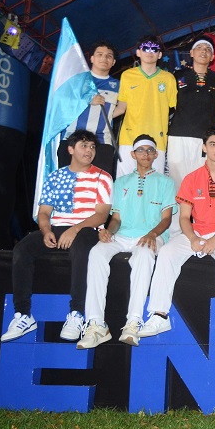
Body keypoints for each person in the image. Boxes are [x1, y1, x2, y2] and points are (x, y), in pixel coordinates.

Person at [139, 127, 215, 341]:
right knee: (168, 252)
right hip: (196, 231)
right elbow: (183, 218)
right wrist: (193, 238)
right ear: (204, 147)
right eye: (213, 144)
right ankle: (159, 315)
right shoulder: (192, 178)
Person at [2, 129, 112, 342]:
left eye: (92, 147)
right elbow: (44, 212)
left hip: (87, 228)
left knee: (81, 249)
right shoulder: (54, 177)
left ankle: (77, 313)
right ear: (71, 149)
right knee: (22, 248)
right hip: (57, 227)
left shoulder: (102, 176)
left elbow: (101, 215)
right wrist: (46, 231)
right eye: (83, 146)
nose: (89, 151)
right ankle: (23, 315)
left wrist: (75, 228)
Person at [77, 135, 176, 349]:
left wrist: (151, 234)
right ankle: (96, 324)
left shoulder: (166, 182)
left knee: (143, 254)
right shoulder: (121, 182)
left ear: (156, 154)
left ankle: (133, 322)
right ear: (133, 154)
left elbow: (166, 219)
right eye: (141, 150)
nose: (146, 154)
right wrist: (107, 231)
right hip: (122, 235)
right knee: (96, 252)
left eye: (150, 150)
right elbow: (117, 220)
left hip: (151, 235)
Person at [167, 40, 215, 189]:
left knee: (201, 180)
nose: (203, 51)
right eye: (199, 48)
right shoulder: (178, 76)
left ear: (212, 57)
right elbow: (167, 104)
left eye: (208, 49)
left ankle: (199, 213)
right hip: (178, 135)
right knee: (177, 179)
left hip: (204, 137)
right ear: (191, 53)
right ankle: (178, 213)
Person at [115, 35, 177, 177]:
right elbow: (121, 107)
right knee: (125, 184)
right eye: (145, 48)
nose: (150, 52)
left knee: (154, 186)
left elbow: (178, 108)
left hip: (157, 141)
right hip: (129, 139)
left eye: (154, 49)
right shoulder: (127, 75)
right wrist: (99, 116)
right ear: (138, 52)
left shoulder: (168, 78)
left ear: (160, 54)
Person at [57, 41, 120, 176]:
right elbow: (60, 104)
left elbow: (122, 108)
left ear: (113, 62)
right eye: (100, 54)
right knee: (68, 184)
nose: (104, 58)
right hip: (72, 138)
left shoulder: (118, 85)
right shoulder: (76, 80)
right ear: (91, 58)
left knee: (98, 186)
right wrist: (86, 101)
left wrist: (106, 115)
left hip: (102, 142)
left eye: (109, 56)